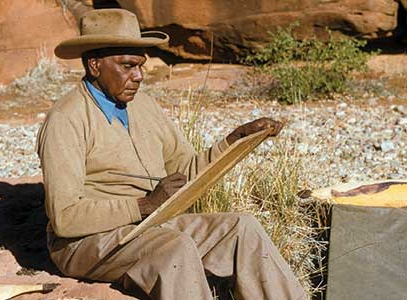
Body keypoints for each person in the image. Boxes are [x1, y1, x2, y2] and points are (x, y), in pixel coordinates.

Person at [36, 8, 307, 300]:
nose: (138, 76)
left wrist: (234, 140)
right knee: (174, 247)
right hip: (85, 242)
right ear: (94, 65)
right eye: (127, 66)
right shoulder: (66, 120)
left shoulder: (144, 106)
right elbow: (65, 218)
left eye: (140, 65)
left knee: (242, 228)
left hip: (148, 224)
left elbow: (185, 170)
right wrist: (144, 205)